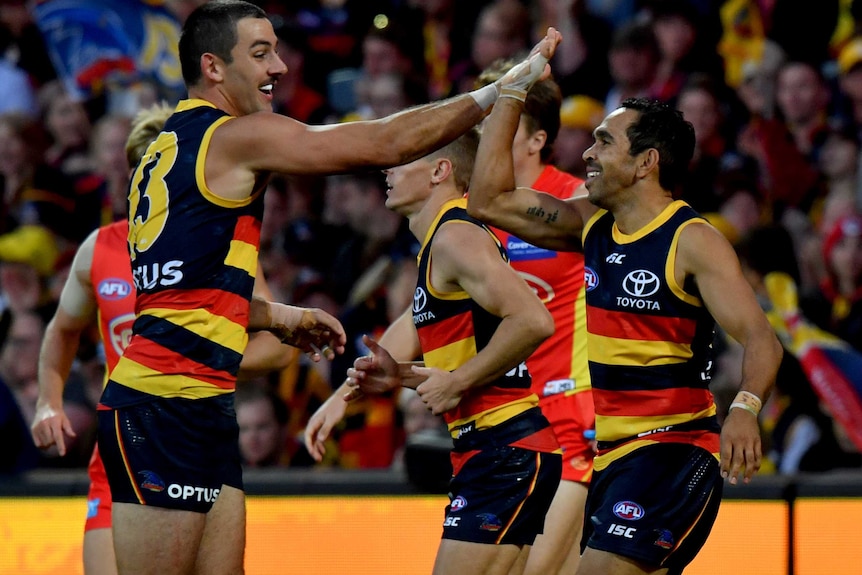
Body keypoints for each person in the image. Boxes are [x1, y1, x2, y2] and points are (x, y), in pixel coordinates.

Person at [96, 2, 563, 573]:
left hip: (200, 401)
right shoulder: (236, 136)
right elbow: (386, 144)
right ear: (214, 67)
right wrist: (502, 92)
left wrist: (280, 317)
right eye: (261, 53)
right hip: (164, 401)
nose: (282, 67)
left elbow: (181, 293)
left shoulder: (167, 151)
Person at [467, 94, 783, 574]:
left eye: (603, 142)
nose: (587, 155)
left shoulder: (692, 240)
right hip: (613, 459)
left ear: (646, 162)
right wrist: (510, 95)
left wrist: (745, 408)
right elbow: (488, 201)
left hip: (672, 451)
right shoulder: (592, 225)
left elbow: (762, 338)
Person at [29, 102, 297, 575]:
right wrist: (48, 401)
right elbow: (62, 331)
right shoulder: (100, 249)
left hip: (194, 429)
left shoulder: (220, 246)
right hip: (123, 440)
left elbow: (275, 347)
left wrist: (197, 360)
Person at [344, 127, 560, 575]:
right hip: (493, 449)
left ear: (440, 171)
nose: (388, 167)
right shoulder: (439, 243)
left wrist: (458, 382)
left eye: (403, 159)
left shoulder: (454, 237)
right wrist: (401, 375)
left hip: (505, 448)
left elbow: (533, 319)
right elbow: (477, 350)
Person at [475, 64, 595, 575]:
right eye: (484, 120)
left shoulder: (572, 204)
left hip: (570, 414)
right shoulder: (468, 214)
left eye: (503, 120)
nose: (486, 133)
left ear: (537, 138)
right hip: (505, 420)